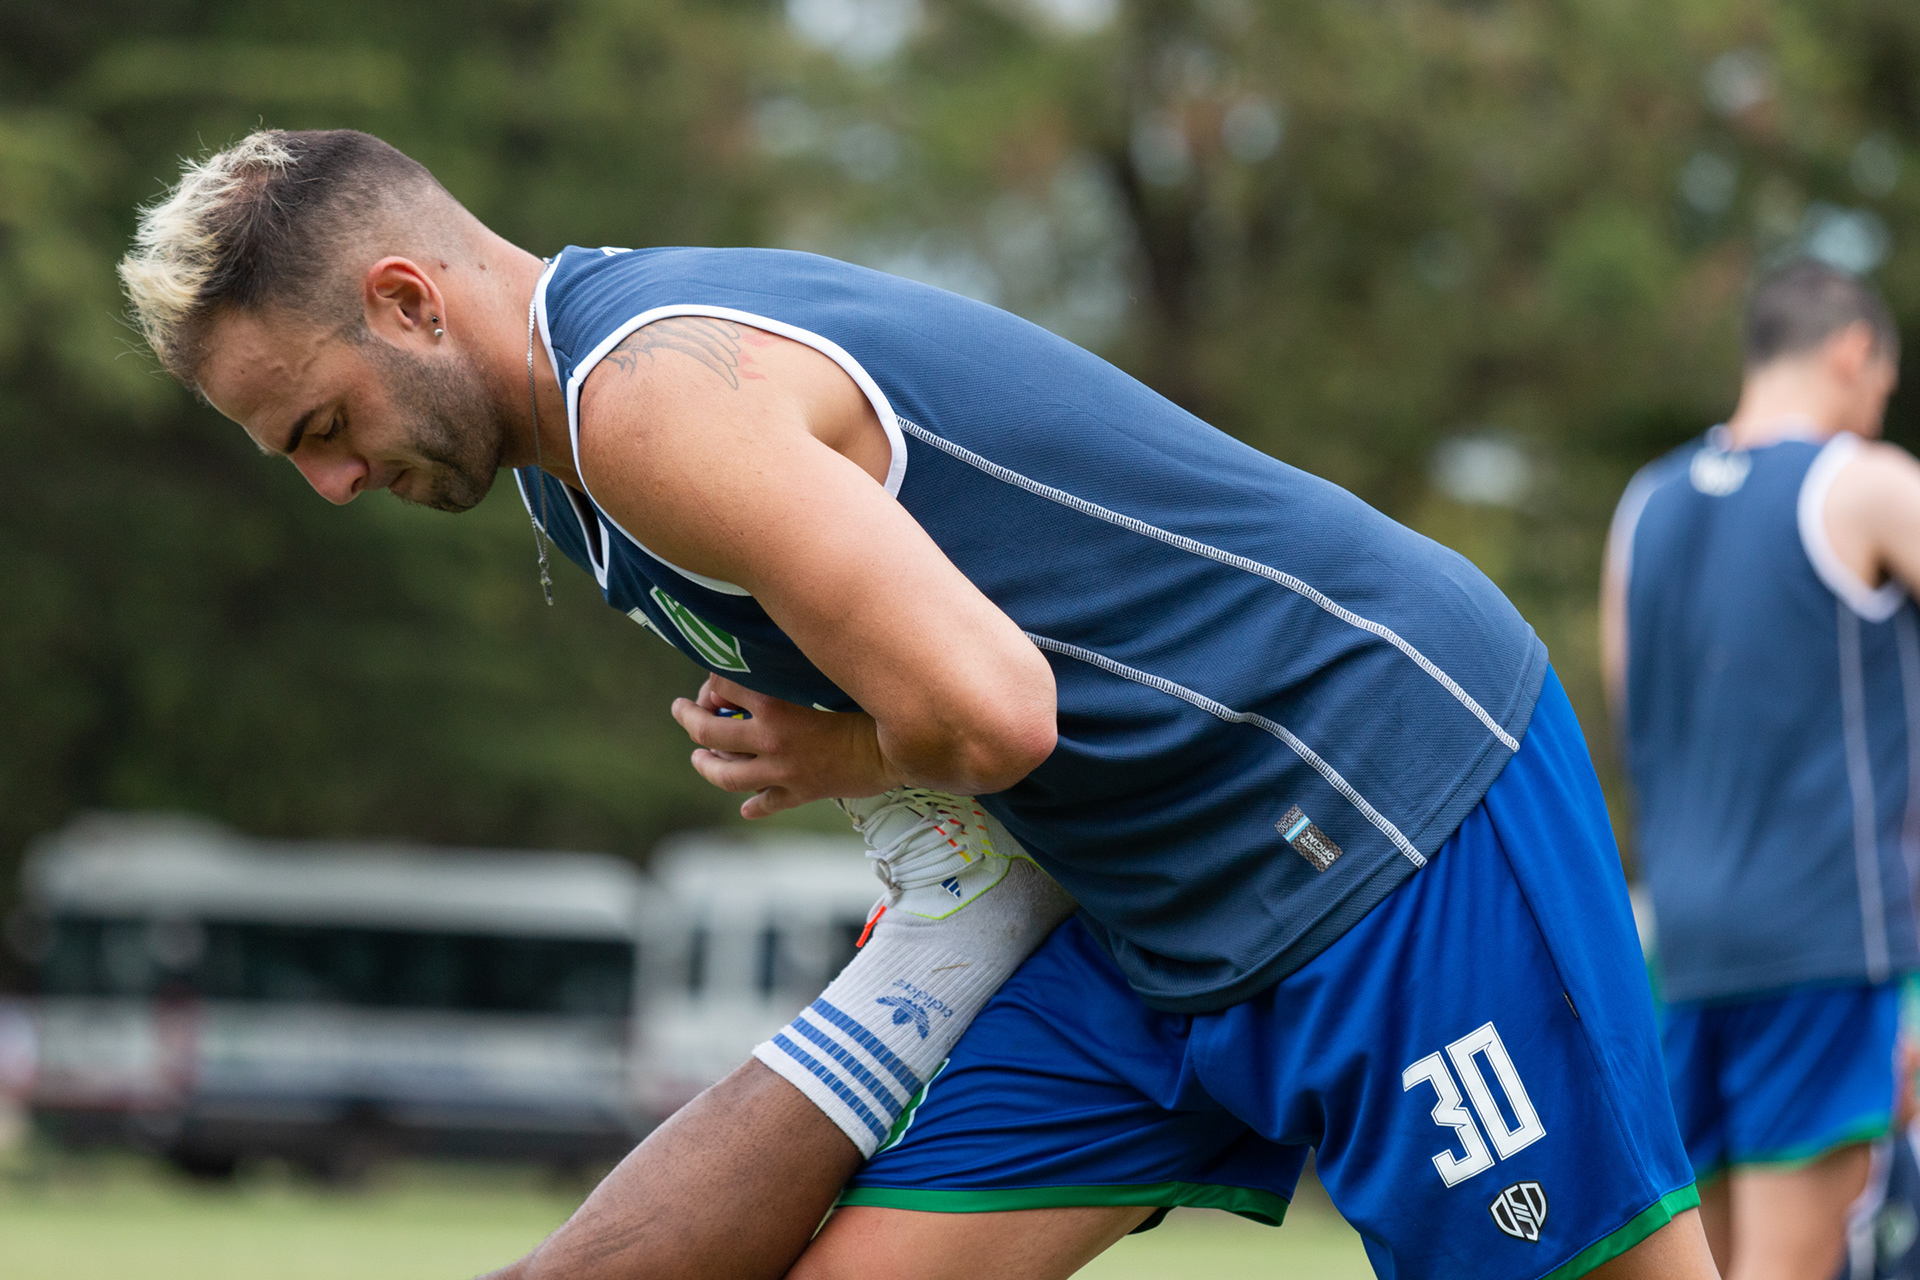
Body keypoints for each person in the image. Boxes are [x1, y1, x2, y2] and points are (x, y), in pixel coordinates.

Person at [120, 128, 1714, 1280]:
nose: (331, 482)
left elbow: (994, 711)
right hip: (1136, 895)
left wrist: (843, 756)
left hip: (1367, 791)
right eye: (295, 457)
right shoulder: (570, 486)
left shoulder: (643, 404)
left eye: (322, 424)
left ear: (408, 300)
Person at [1603, 259, 1917, 1280]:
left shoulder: (1640, 511)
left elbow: (1630, 711)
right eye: (1883, 380)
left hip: (1683, 955)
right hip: (1828, 945)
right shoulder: (1866, 481)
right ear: (1853, 351)